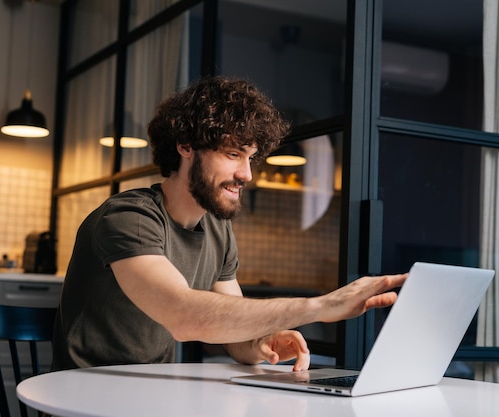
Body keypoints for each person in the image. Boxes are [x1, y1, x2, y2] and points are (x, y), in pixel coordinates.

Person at [51, 76, 406, 371]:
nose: (246, 174)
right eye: (233, 154)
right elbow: (184, 314)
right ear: (186, 145)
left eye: (250, 158)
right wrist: (319, 307)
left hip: (150, 394)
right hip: (84, 396)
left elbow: (234, 338)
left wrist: (261, 342)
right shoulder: (130, 217)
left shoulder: (217, 229)